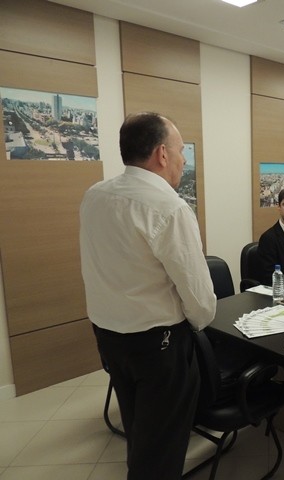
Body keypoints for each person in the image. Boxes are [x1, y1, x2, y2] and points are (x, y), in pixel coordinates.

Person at [79, 112, 217, 480]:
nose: (184, 160)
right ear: (162, 154)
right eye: (181, 151)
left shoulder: (95, 195)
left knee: (139, 429)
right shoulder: (169, 207)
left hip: (109, 337)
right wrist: (200, 325)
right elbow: (198, 294)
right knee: (162, 448)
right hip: (159, 345)